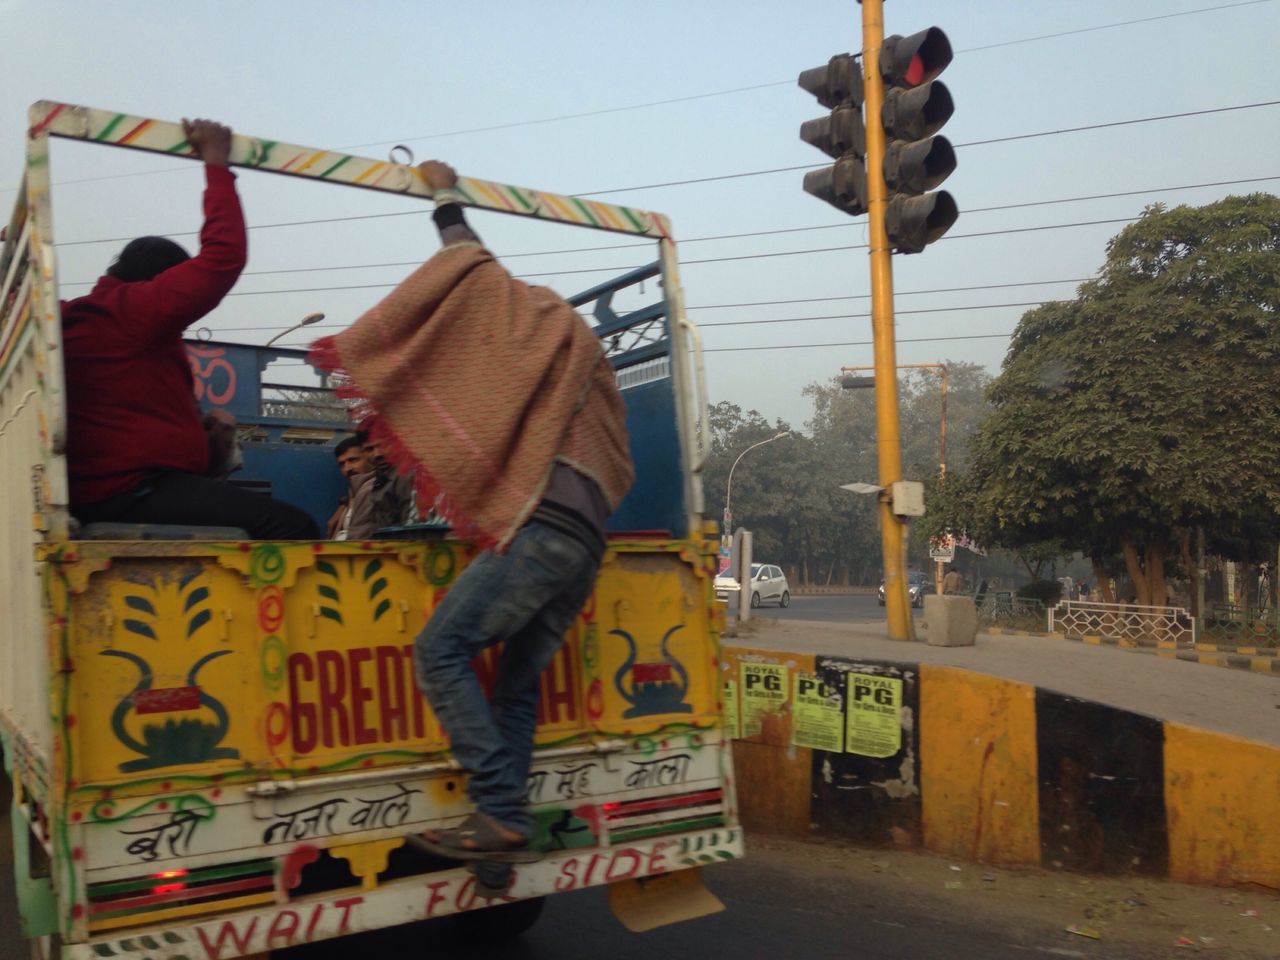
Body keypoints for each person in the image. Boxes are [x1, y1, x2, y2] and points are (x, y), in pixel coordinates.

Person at [310, 160, 634, 873]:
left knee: (440, 652)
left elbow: (471, 262)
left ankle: (493, 804)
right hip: (585, 543)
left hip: (541, 530)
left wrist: (443, 194)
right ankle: (499, 842)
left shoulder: (527, 321)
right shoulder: (584, 352)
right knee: (516, 686)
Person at [61, 118, 317, 540]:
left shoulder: (81, 321)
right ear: (161, 280)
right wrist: (216, 161)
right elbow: (222, 257)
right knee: (295, 527)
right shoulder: (136, 311)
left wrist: (202, 438)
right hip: (134, 489)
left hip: (108, 488)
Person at [325, 435, 377, 540]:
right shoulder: (352, 494)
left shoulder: (375, 490)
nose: (347, 468)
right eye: (342, 464)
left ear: (370, 457)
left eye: (353, 460)